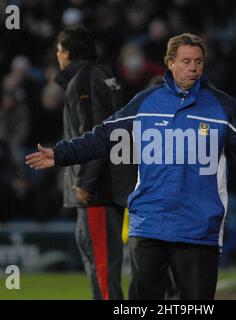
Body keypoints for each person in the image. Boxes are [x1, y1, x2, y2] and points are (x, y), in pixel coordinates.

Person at [26, 33, 236, 300]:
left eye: (198, 61)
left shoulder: (221, 107)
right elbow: (103, 136)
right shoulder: (146, 102)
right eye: (186, 61)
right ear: (170, 63)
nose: (194, 67)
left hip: (197, 227)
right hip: (149, 225)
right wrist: (59, 154)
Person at [52, 25, 136, 300]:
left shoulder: (85, 80)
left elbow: (95, 134)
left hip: (96, 191)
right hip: (109, 185)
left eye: (59, 50)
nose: (57, 55)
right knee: (100, 263)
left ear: (68, 52)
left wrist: (83, 181)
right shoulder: (104, 75)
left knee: (101, 265)